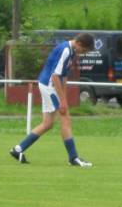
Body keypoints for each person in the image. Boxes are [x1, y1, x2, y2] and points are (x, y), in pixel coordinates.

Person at [9, 33, 95, 167]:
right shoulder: (66, 51)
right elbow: (55, 76)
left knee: (47, 124)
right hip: (50, 86)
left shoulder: (72, 51)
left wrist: (64, 98)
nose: (82, 53)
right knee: (65, 118)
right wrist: (63, 101)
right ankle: (73, 158)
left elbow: (64, 76)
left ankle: (18, 149)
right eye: (83, 50)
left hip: (49, 86)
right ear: (79, 43)